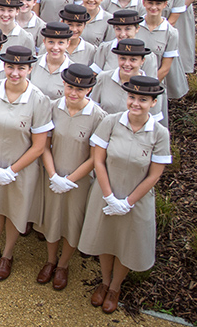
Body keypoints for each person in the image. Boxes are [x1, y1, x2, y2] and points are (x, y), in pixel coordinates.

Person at [78, 76, 170, 314]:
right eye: (131, 97)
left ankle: (115, 287)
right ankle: (105, 281)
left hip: (135, 199)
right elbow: (98, 160)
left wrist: (127, 202)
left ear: (153, 102)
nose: (135, 103)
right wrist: (109, 196)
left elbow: (154, 175)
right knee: (106, 239)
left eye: (142, 99)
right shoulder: (110, 122)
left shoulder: (159, 134)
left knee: (125, 242)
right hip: (106, 191)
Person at [0, 45, 53, 281]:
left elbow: (39, 145)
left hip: (21, 168)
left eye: (21, 68)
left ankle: (7, 255)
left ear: (30, 69)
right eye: (10, 67)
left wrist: (11, 171)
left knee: (15, 211)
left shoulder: (39, 100)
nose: (14, 73)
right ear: (4, 66)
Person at [34, 64, 107, 291]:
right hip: (52, 176)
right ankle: (50, 260)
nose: (73, 93)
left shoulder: (98, 116)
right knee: (52, 220)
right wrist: (54, 175)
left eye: (80, 89)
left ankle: (63, 265)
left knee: (72, 223)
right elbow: (44, 145)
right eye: (69, 87)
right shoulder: (52, 107)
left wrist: (70, 180)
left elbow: (96, 157)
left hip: (79, 182)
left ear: (89, 90)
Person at [92, 38, 163, 121]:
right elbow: (93, 111)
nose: (126, 64)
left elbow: (153, 122)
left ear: (142, 61)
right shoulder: (103, 78)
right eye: (123, 58)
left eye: (133, 59)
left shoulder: (151, 88)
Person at [30, 22, 73, 100]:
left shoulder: (72, 71)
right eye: (51, 42)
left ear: (68, 43)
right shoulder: (33, 64)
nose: (55, 47)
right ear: (44, 42)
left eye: (61, 43)